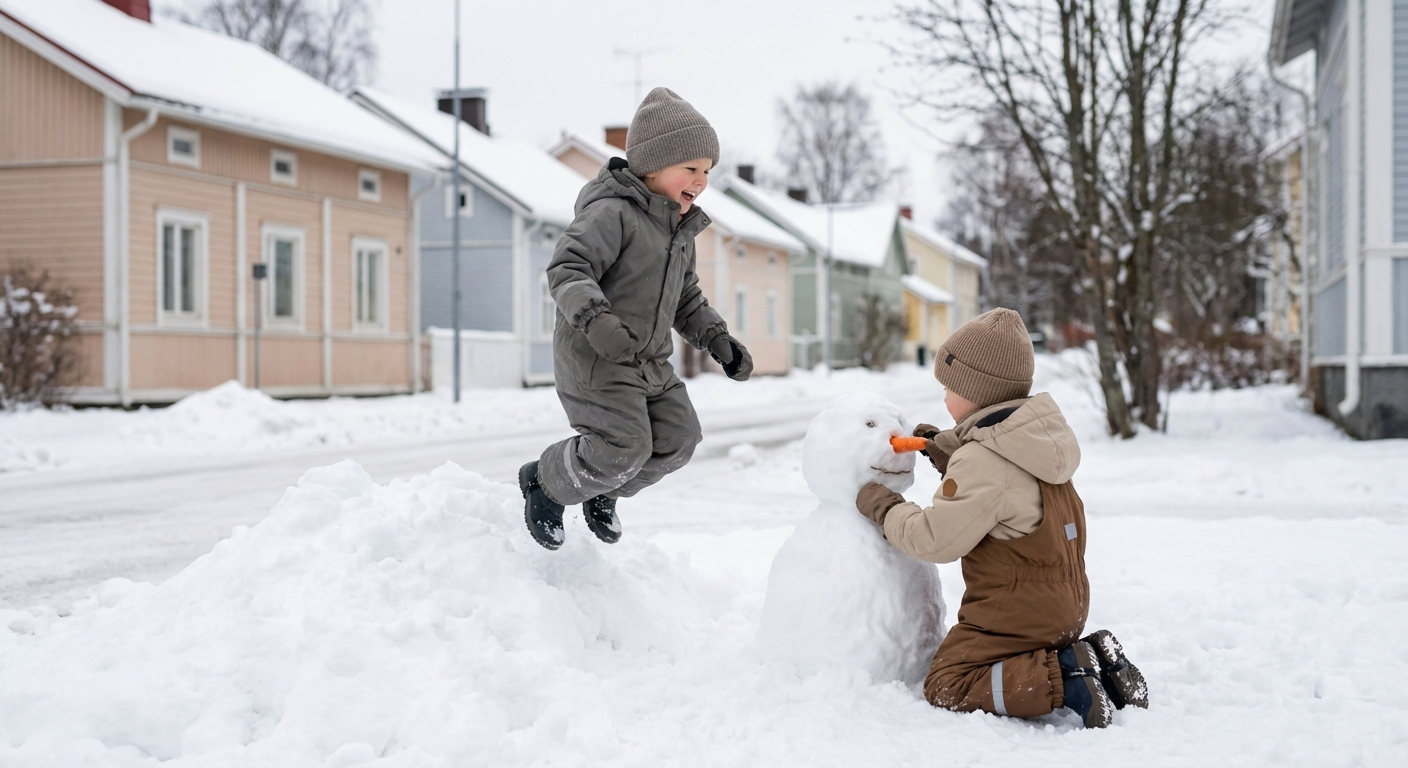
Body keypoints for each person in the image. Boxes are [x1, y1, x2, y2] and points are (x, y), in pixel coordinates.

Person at [854, 308, 1148, 728]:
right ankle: (1091, 659)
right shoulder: (1036, 440)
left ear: (976, 390)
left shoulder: (984, 461)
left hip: (1016, 612)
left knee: (948, 682)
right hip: (1064, 606)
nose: (943, 397)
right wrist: (951, 454)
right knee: (998, 663)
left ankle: (1064, 677)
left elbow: (935, 540)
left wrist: (883, 506)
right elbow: (1004, 489)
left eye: (950, 386)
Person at [518, 88, 751, 551]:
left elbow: (685, 298)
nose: (701, 181)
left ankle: (602, 489)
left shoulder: (679, 230)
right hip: (596, 357)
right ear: (652, 165)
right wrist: (597, 320)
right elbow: (569, 268)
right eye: (691, 169)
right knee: (622, 446)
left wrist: (717, 339)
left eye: (707, 171)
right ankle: (545, 482)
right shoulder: (612, 214)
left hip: (648, 362)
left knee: (680, 439)